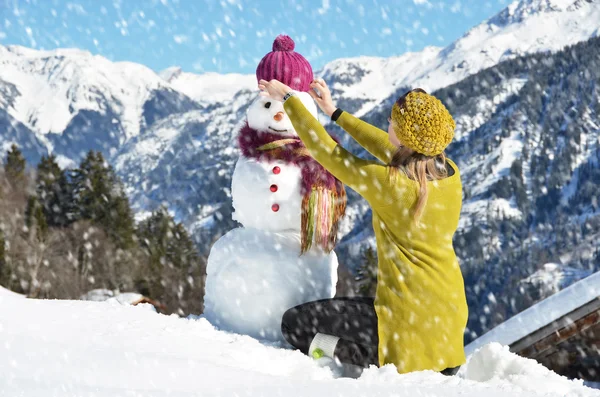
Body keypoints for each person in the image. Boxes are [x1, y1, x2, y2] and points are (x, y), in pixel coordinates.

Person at [258, 77, 468, 376]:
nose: (387, 125)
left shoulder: (389, 184)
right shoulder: (449, 173)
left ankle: (371, 359)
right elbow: (388, 147)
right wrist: (334, 112)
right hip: (446, 331)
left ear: (407, 138)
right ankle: (387, 351)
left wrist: (290, 98)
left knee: (295, 324)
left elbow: (328, 152)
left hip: (408, 336)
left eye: (392, 122)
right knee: (362, 309)